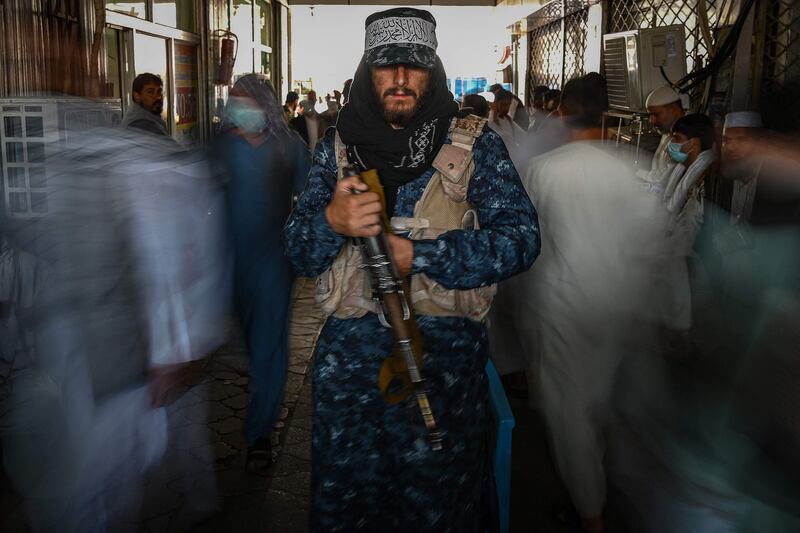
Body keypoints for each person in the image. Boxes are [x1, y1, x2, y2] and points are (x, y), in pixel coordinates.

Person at [283, 7, 540, 531]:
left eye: (414, 67)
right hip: (348, 382)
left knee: (438, 508)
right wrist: (330, 220)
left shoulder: (475, 145)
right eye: (386, 67)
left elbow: (521, 241)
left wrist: (421, 255)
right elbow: (299, 253)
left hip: (443, 371)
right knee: (348, 507)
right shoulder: (337, 150)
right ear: (366, 72)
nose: (400, 80)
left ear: (433, 72)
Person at [517, 73, 666, 533]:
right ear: (605, 113)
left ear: (562, 112)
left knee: (570, 414)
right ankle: (616, 496)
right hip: (621, 305)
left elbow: (526, 245)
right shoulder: (634, 169)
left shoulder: (545, 170)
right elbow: (656, 245)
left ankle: (591, 515)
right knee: (608, 403)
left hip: (562, 306)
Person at [216, 74, 310, 473]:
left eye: (245, 100)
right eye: (234, 100)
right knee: (247, 346)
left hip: (272, 263)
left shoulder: (288, 146)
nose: (238, 108)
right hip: (226, 264)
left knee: (269, 349)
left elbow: (313, 195)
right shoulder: (220, 146)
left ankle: (259, 433)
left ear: (265, 104)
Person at [644, 85, 686, 181]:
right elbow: (657, 174)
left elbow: (666, 182)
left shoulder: (686, 136)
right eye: (650, 115)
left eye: (656, 114)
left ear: (674, 109)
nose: (651, 121)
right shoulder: (666, 131)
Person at [489, 89, 526, 166]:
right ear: (495, 103)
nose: (507, 108)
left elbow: (523, 136)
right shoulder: (490, 120)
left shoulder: (508, 120)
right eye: (504, 104)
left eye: (509, 105)